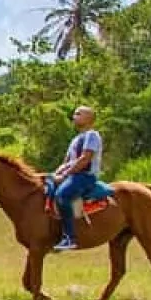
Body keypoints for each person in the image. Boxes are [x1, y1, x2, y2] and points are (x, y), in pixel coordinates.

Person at [48, 106, 105, 251]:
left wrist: (65, 176)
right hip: (73, 174)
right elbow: (66, 161)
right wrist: (57, 173)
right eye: (74, 114)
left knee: (62, 195)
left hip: (85, 177)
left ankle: (69, 237)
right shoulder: (75, 139)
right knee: (47, 187)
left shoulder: (92, 135)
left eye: (78, 114)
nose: (74, 116)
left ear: (89, 118)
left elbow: (84, 159)